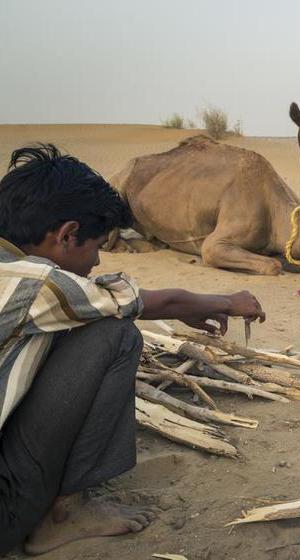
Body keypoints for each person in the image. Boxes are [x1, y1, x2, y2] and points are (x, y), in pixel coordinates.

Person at [0, 145, 266, 555]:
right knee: (115, 335)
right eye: (94, 247)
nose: (95, 261)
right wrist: (228, 302)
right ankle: (66, 514)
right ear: (67, 235)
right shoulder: (39, 284)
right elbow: (143, 301)